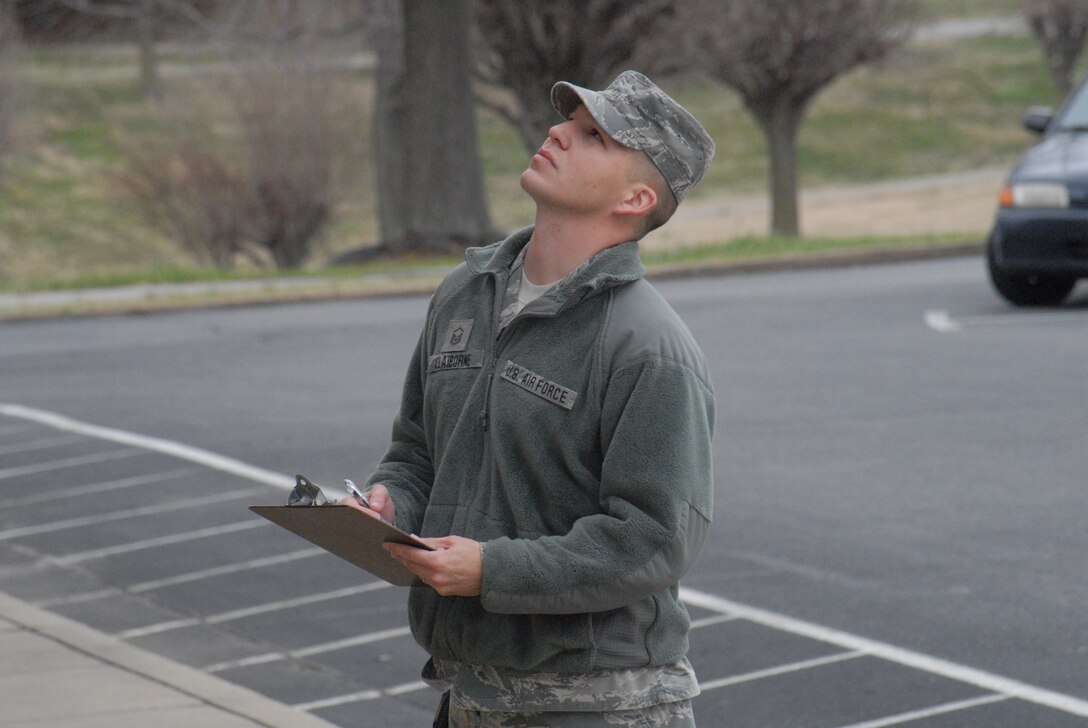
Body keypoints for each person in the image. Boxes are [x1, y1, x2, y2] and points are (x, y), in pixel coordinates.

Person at [344, 70, 716, 728]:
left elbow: (653, 538)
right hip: (470, 692)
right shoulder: (466, 292)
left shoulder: (647, 346)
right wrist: (388, 503)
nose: (557, 134)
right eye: (566, 123)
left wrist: (494, 569)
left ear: (635, 199)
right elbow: (416, 452)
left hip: (600, 704)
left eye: (592, 136)